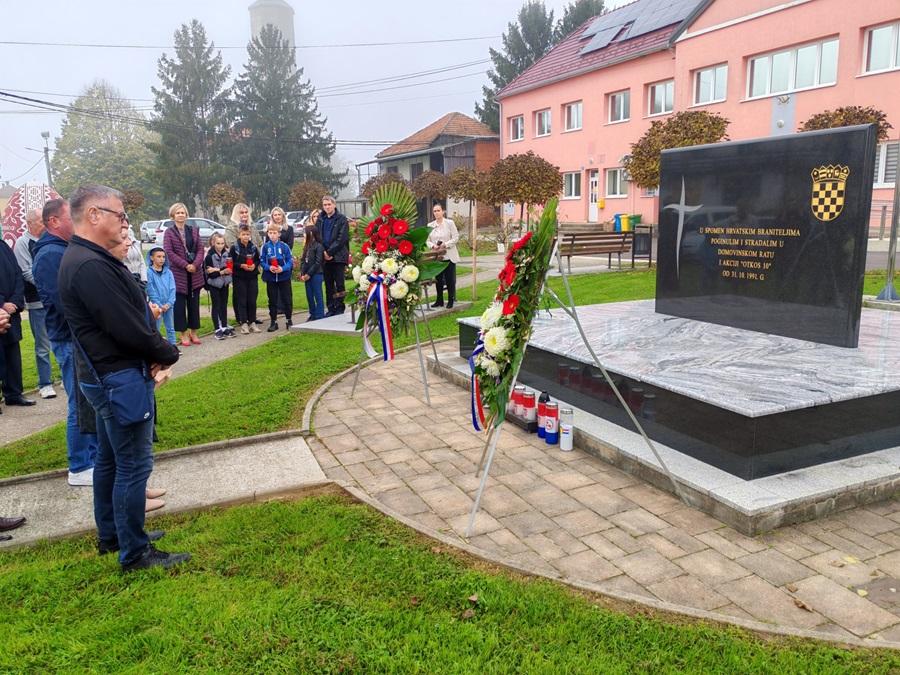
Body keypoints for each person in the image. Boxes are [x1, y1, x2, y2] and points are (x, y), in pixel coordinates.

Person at [58, 184, 187, 572]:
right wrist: (167, 351)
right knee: (133, 465)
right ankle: (135, 552)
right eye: (120, 215)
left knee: (111, 460)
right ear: (94, 215)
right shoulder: (88, 264)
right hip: (117, 379)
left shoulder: (86, 258)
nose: (124, 222)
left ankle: (113, 534)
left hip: (108, 375)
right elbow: (127, 327)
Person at [33, 198, 99, 486]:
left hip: (79, 338)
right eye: (70, 217)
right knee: (79, 403)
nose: (77, 222)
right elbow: (62, 301)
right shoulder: (49, 254)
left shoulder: (64, 249)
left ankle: (94, 461)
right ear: (54, 222)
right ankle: (80, 465)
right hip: (69, 338)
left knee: (90, 402)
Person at [13, 208, 56, 399]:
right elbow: (26, 271)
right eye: (40, 220)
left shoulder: (49, 239)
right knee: (42, 344)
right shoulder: (23, 243)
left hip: (55, 299)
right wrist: (48, 286)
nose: (44, 223)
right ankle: (45, 383)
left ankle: (65, 377)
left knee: (62, 339)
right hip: (37, 301)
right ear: (30, 223)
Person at [0, 229, 35, 410]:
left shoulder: (4, 246)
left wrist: (14, 301)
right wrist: (2, 304)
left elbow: (17, 274)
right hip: (1, 311)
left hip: (11, 312)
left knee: (13, 354)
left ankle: (13, 393)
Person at [162, 202, 205, 348]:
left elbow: (200, 249)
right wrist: (185, 265)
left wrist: (195, 264)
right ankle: (183, 333)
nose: (181, 215)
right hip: (179, 274)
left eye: (183, 212)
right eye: (178, 213)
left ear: (186, 215)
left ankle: (194, 332)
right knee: (179, 306)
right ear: (173, 215)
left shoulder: (193, 230)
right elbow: (169, 252)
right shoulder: (169, 233)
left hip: (195, 274)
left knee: (194, 305)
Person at [316, 195, 349, 317]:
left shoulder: (341, 219)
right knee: (328, 284)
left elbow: (342, 239)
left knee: (339, 283)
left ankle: (340, 307)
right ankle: (331, 307)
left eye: (329, 204)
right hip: (324, 257)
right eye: (325, 205)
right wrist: (323, 253)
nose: (327, 207)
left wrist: (330, 252)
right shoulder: (320, 219)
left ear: (334, 205)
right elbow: (317, 237)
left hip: (338, 256)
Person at [426, 203, 460, 309]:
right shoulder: (430, 225)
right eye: (435, 211)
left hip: (449, 255)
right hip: (437, 256)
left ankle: (450, 300)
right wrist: (433, 246)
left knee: (450, 280)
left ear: (443, 211)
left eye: (438, 210)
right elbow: (427, 240)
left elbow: (455, 238)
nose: (436, 213)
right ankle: (439, 300)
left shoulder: (450, 223)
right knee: (438, 280)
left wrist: (446, 244)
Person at [229, 224, 261, 334]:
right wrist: (241, 266)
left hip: (252, 276)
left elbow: (257, 260)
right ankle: (243, 323)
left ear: (250, 235)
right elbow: (230, 262)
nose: (246, 237)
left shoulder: (253, 247)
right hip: (239, 277)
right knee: (242, 300)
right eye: (243, 234)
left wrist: (254, 266)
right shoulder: (235, 248)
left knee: (252, 300)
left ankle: (252, 321)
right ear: (239, 235)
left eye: (247, 234)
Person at [203, 232, 235, 339]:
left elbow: (230, 269)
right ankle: (217, 328)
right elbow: (211, 274)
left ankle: (225, 326)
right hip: (214, 284)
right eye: (218, 243)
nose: (220, 246)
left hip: (225, 283)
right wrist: (221, 271)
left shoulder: (227, 254)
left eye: (222, 243)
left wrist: (217, 270)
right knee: (216, 305)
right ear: (213, 243)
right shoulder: (209, 256)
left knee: (224, 305)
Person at [145, 247, 177, 346]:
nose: (162, 259)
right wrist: (159, 304)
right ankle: (157, 348)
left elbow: (173, 288)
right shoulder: (149, 272)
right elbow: (150, 289)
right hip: (156, 306)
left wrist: (169, 303)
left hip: (168, 305)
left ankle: (173, 345)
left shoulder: (169, 272)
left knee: (170, 327)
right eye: (158, 256)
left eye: (163, 257)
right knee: (156, 327)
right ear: (151, 258)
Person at [298, 224, 325, 321]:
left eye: (305, 233)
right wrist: (302, 273)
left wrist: (309, 274)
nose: (304, 235)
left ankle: (320, 314)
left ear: (311, 233)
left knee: (317, 294)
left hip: (316, 274)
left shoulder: (318, 246)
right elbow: (302, 260)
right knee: (309, 295)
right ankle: (312, 313)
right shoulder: (307, 246)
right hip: (307, 275)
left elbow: (318, 262)